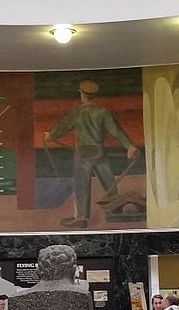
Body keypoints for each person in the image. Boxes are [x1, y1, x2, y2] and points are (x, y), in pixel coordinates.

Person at [43, 79, 140, 229]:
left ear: (82, 94)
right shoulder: (103, 112)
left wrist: (50, 136)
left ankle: (81, 218)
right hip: (99, 150)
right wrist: (129, 146)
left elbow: (62, 128)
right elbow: (116, 131)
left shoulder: (77, 112)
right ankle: (116, 207)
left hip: (83, 152)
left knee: (82, 185)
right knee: (108, 180)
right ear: (94, 95)